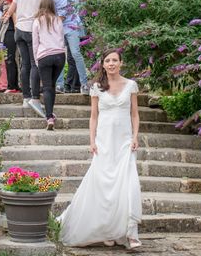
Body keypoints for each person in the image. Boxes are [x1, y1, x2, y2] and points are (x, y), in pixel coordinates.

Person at [58, 49, 142, 249]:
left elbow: (135, 114)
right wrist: (92, 141)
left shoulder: (131, 85)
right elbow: (93, 116)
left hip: (124, 142)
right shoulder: (96, 87)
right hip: (104, 143)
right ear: (103, 65)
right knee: (104, 186)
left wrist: (135, 137)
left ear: (121, 63)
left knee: (127, 183)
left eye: (115, 60)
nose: (111, 63)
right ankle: (108, 230)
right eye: (107, 60)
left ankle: (131, 234)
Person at [3, 0, 53, 117]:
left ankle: (26, 98)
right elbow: (45, 14)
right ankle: (35, 97)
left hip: (19, 30)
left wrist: (18, 24)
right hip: (33, 30)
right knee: (34, 63)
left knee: (24, 64)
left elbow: (11, 10)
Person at [32, 0, 66, 130]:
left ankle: (49, 117)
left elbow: (35, 43)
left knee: (46, 87)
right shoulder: (58, 20)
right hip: (59, 56)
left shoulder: (37, 21)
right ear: (52, 6)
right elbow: (62, 39)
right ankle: (50, 114)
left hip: (44, 56)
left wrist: (36, 59)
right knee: (51, 86)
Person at [55, 0, 89, 95]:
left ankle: (84, 84)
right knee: (59, 56)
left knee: (75, 54)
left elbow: (80, 13)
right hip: (59, 29)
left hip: (72, 28)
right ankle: (59, 85)